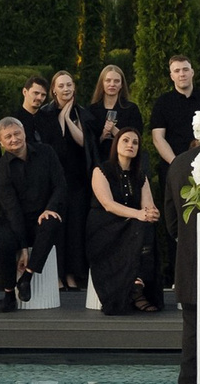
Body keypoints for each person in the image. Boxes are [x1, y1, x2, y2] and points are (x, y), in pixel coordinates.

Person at [82, 65, 150, 285]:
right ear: (102, 83)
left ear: (122, 84)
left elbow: (137, 138)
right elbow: (88, 144)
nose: (112, 84)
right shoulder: (92, 110)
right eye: (108, 80)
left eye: (116, 81)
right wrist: (103, 136)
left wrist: (116, 133)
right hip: (103, 170)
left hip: (128, 171)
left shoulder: (131, 109)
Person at [0, 114, 71, 301]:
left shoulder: (46, 152)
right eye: (8, 137)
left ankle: (27, 277)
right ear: (1, 141)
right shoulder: (1, 169)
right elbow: (12, 209)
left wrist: (50, 208)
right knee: (4, 240)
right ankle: (9, 294)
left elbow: (60, 185)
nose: (14, 139)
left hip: (43, 214)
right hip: (16, 220)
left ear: (24, 133)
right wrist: (23, 248)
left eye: (17, 133)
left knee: (51, 222)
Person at [86, 125, 160, 314]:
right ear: (116, 144)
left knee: (147, 225)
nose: (130, 145)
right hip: (105, 227)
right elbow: (108, 205)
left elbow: (148, 207)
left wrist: (151, 213)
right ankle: (136, 287)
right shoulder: (101, 170)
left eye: (135, 142)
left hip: (131, 226)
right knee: (139, 223)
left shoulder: (140, 175)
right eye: (125, 140)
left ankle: (138, 281)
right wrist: (138, 214)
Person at [149, 55, 200, 265]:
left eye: (185, 69)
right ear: (171, 75)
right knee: (176, 222)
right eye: (177, 71)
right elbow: (158, 138)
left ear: (192, 72)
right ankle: (177, 275)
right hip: (174, 170)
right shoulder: (163, 103)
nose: (181, 74)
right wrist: (178, 165)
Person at [47, 70, 91, 291]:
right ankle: (57, 274)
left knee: (75, 228)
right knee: (57, 228)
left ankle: (72, 274)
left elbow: (83, 142)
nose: (66, 89)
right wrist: (59, 118)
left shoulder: (81, 113)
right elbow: (57, 144)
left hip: (77, 179)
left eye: (69, 85)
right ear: (53, 89)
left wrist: (66, 118)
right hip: (55, 179)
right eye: (61, 86)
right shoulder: (46, 113)